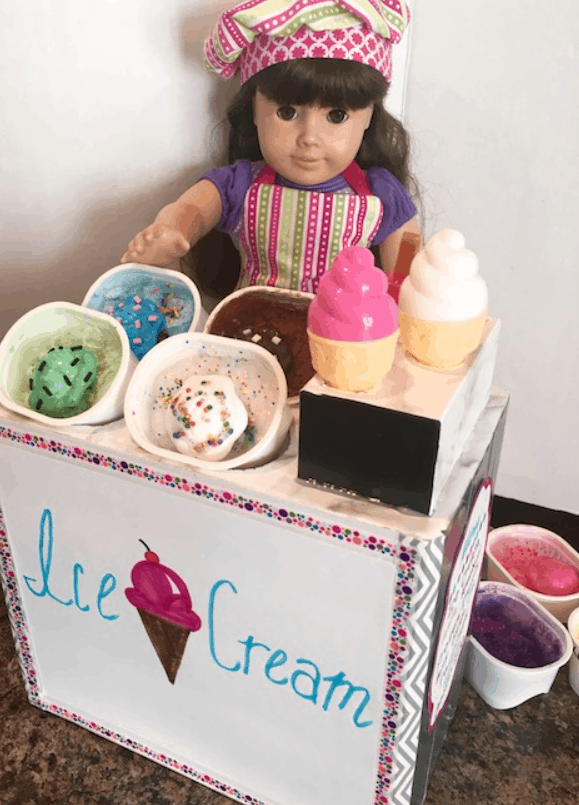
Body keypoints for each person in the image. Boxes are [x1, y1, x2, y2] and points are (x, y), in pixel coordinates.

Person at [121, 0, 421, 298]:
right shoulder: (239, 185)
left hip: (342, 338)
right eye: (287, 113)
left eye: (336, 116)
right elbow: (194, 208)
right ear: (254, 109)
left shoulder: (381, 194)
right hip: (249, 330)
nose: (309, 137)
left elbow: (406, 257)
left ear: (368, 116)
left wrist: (405, 307)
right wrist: (172, 230)